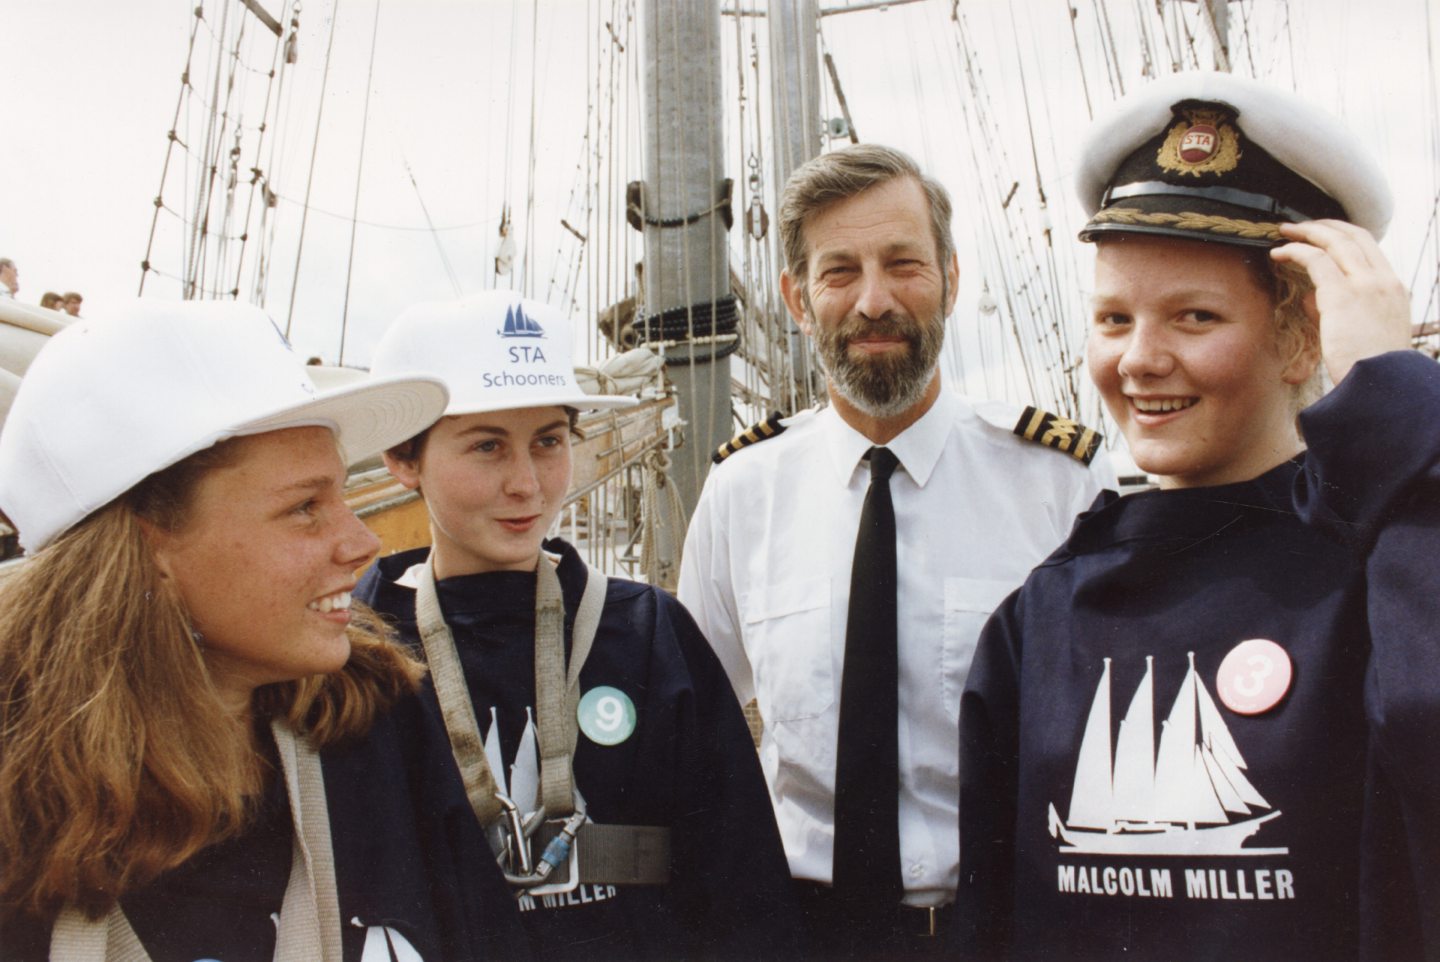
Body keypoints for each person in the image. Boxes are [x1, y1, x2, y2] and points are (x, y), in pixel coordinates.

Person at [955, 71, 1430, 961]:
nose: (1139, 360)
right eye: (1112, 318)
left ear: (1301, 336)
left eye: (1194, 317)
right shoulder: (1046, 612)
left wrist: (1396, 404)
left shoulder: (1379, 574)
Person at [676, 144, 1110, 959]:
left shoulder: (1062, 486)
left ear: (950, 275)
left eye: (903, 263)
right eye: (840, 271)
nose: (874, 300)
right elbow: (696, 733)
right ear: (797, 299)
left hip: (997, 932)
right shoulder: (743, 492)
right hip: (793, 933)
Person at [0, 300, 526, 960]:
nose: (361, 541)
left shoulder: (380, 726)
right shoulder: (20, 818)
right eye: (305, 508)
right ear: (149, 552)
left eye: (343, 496)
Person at [358, 290, 802, 961]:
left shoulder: (651, 636)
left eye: (548, 442)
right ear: (403, 457)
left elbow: (744, 896)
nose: (527, 484)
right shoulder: (360, 651)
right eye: (486, 447)